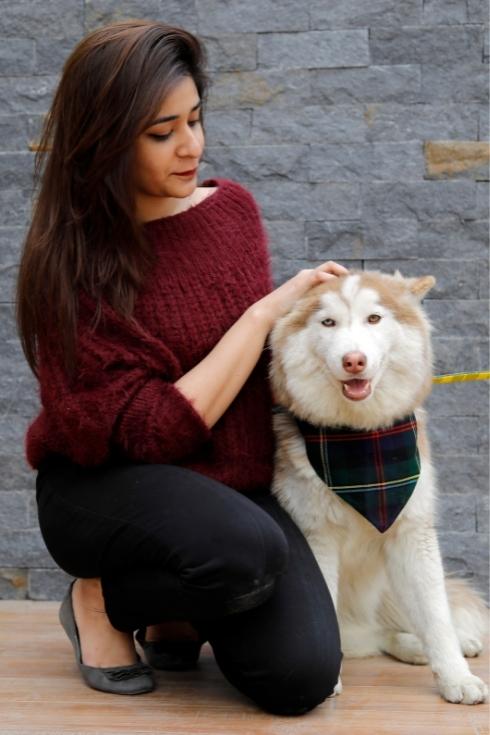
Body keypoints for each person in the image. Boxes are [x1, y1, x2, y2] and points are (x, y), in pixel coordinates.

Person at [16, 20, 345, 716]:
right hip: (105, 487)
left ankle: (179, 607)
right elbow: (160, 429)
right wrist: (258, 315)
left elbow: (254, 388)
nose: (191, 145)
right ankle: (101, 596)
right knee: (245, 550)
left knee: (303, 674)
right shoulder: (73, 265)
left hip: (225, 489)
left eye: (195, 119)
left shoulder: (234, 213)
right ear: (106, 140)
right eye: (161, 132)